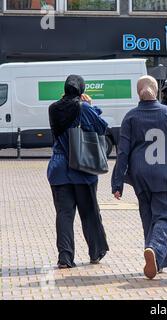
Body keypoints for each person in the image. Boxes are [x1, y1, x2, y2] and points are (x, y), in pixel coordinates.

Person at [111, 75, 167, 280]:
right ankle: (153, 248)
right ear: (157, 90)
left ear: (138, 92)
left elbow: (123, 152)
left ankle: (158, 261)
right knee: (166, 217)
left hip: (140, 175)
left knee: (149, 218)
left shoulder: (130, 117)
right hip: (166, 174)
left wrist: (117, 182)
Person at [48, 75, 109, 269]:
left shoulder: (53, 108)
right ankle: (96, 252)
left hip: (58, 169)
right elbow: (101, 127)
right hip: (83, 168)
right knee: (89, 212)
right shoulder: (83, 108)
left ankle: (65, 258)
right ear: (81, 90)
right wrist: (91, 105)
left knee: (64, 215)